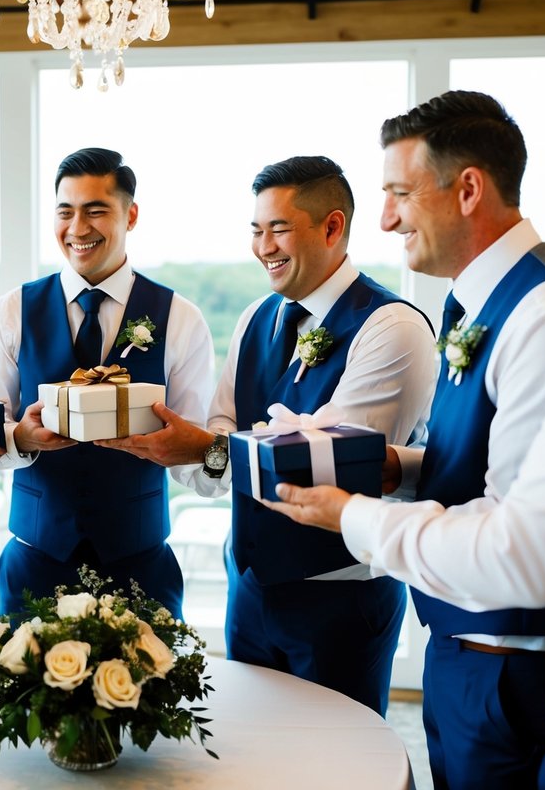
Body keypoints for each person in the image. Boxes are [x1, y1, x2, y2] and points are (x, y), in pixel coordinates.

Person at [270, 26, 545, 789]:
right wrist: (398, 466)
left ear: (465, 190)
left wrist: (347, 514)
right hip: (473, 649)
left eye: (396, 194)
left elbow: (523, 533)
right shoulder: (483, 304)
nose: (386, 220)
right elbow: (516, 463)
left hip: (522, 671)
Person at [101, 155, 436, 714]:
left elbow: (327, 465)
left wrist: (209, 449)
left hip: (340, 595)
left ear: (332, 227)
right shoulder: (257, 315)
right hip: (251, 586)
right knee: (255, 752)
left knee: (337, 764)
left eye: (278, 228)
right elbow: (223, 424)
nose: (263, 247)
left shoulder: (392, 327)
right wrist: (204, 447)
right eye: (256, 230)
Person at [0, 147, 215, 619]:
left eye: (95, 210)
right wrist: (18, 437)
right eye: (65, 212)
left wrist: (203, 452)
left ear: (131, 214)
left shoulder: (181, 318)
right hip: (34, 563)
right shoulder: (11, 311)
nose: (78, 229)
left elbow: (198, 464)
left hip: (141, 567)